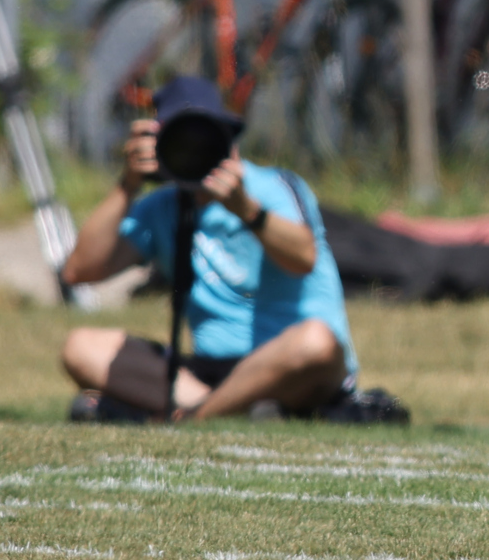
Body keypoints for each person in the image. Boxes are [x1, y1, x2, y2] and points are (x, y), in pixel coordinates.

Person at [58, 77, 382, 423]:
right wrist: (127, 184)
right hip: (207, 373)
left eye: (206, 139)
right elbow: (80, 272)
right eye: (181, 143)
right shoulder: (162, 207)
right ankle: (232, 407)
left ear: (229, 138)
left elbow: (304, 258)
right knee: (80, 348)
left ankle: (191, 416)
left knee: (316, 342)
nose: (195, 153)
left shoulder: (272, 187)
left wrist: (248, 212)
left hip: (291, 361)